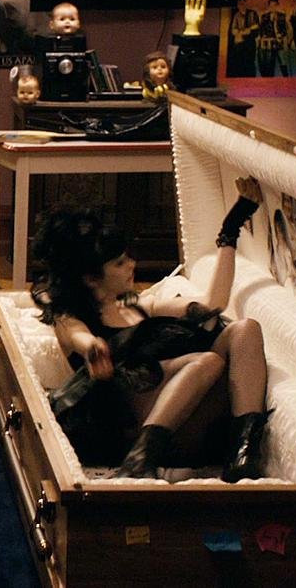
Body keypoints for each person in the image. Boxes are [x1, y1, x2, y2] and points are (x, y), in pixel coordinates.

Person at [34, 177, 270, 482]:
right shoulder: (69, 318)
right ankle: (139, 458)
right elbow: (81, 338)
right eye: (119, 263)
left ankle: (243, 453)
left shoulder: (142, 307)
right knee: (208, 361)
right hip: (128, 424)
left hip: (191, 421)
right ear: (91, 278)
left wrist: (230, 231)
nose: (132, 264)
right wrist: (93, 348)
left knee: (245, 329)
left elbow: (214, 303)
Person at [257, 0, 290, 77]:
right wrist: (264, 37)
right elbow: (261, 30)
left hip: (279, 43)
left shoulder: (282, 16)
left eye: (274, 5)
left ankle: (286, 79)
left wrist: (280, 35)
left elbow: (284, 30)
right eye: (271, 5)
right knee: (269, 63)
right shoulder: (264, 16)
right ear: (269, 6)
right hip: (269, 44)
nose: (273, 7)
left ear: (277, 5)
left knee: (283, 62)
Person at [228, 0, 259, 77]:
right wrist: (242, 32)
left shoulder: (252, 13)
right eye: (239, 4)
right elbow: (233, 30)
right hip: (240, 44)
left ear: (246, 3)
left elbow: (256, 26)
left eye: (242, 3)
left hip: (250, 43)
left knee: (250, 62)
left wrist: (247, 30)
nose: (241, 6)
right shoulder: (236, 15)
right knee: (240, 63)